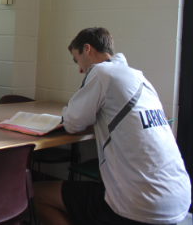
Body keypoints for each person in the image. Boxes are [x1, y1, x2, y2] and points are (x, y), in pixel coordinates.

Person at [34, 27, 191, 225]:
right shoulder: (140, 78)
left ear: (87, 48)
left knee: (37, 192)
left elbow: (72, 123)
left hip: (140, 206)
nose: (80, 70)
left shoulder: (101, 72)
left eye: (77, 60)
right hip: (179, 200)